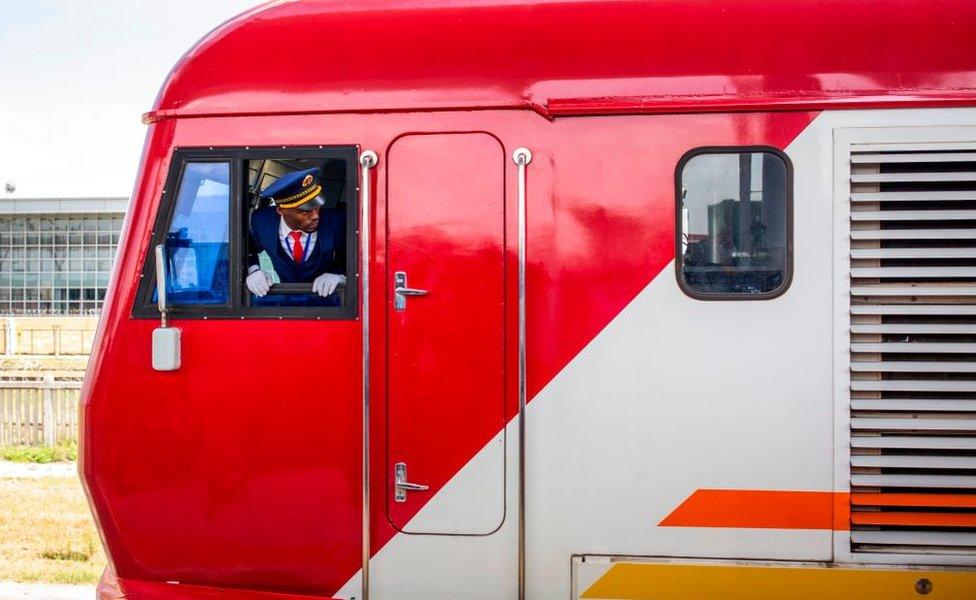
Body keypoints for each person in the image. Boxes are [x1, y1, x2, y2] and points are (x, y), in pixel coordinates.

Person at [246, 167, 345, 305]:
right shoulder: (262, 221)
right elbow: (247, 249)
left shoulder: (338, 221)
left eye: (317, 207)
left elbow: (357, 257)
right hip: (287, 305)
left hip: (331, 305)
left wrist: (340, 275)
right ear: (281, 210)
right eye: (305, 212)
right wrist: (254, 270)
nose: (316, 216)